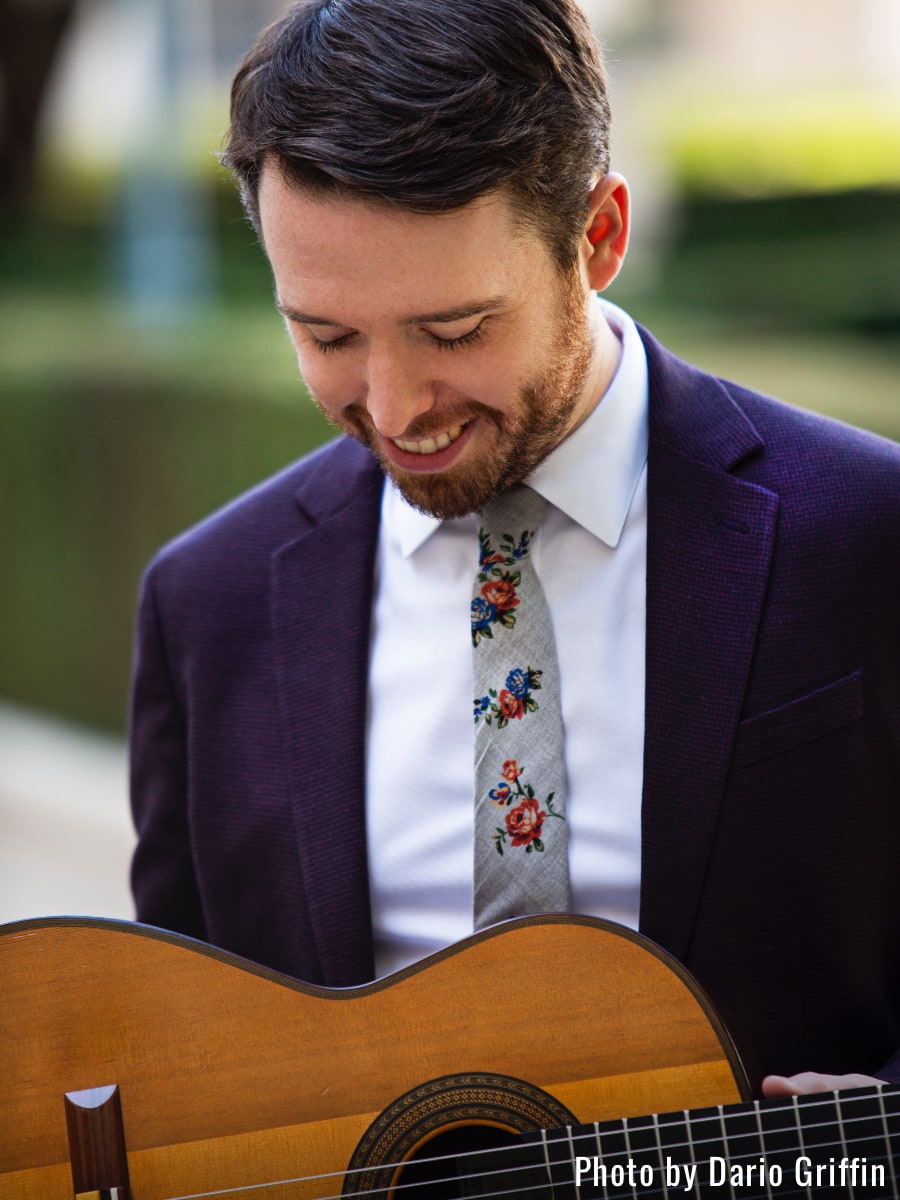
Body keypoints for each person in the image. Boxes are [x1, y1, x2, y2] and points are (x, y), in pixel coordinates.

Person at [129, 0, 900, 1101]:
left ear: (598, 238)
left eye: (454, 332)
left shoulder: (868, 532)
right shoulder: (206, 606)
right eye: (326, 335)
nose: (395, 409)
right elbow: (179, 1068)